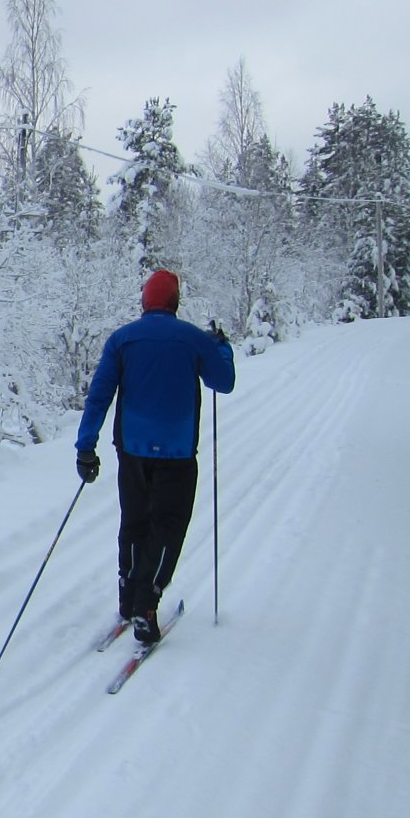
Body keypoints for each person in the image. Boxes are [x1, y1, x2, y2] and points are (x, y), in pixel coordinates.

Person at [75, 269, 234, 644]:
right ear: (175, 302)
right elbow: (223, 382)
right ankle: (147, 604)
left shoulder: (122, 339)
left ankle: (128, 595)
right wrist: (221, 347)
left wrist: (86, 446)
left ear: (144, 301)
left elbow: (99, 396)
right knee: (168, 525)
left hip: (132, 449)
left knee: (134, 520)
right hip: (177, 452)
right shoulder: (192, 338)